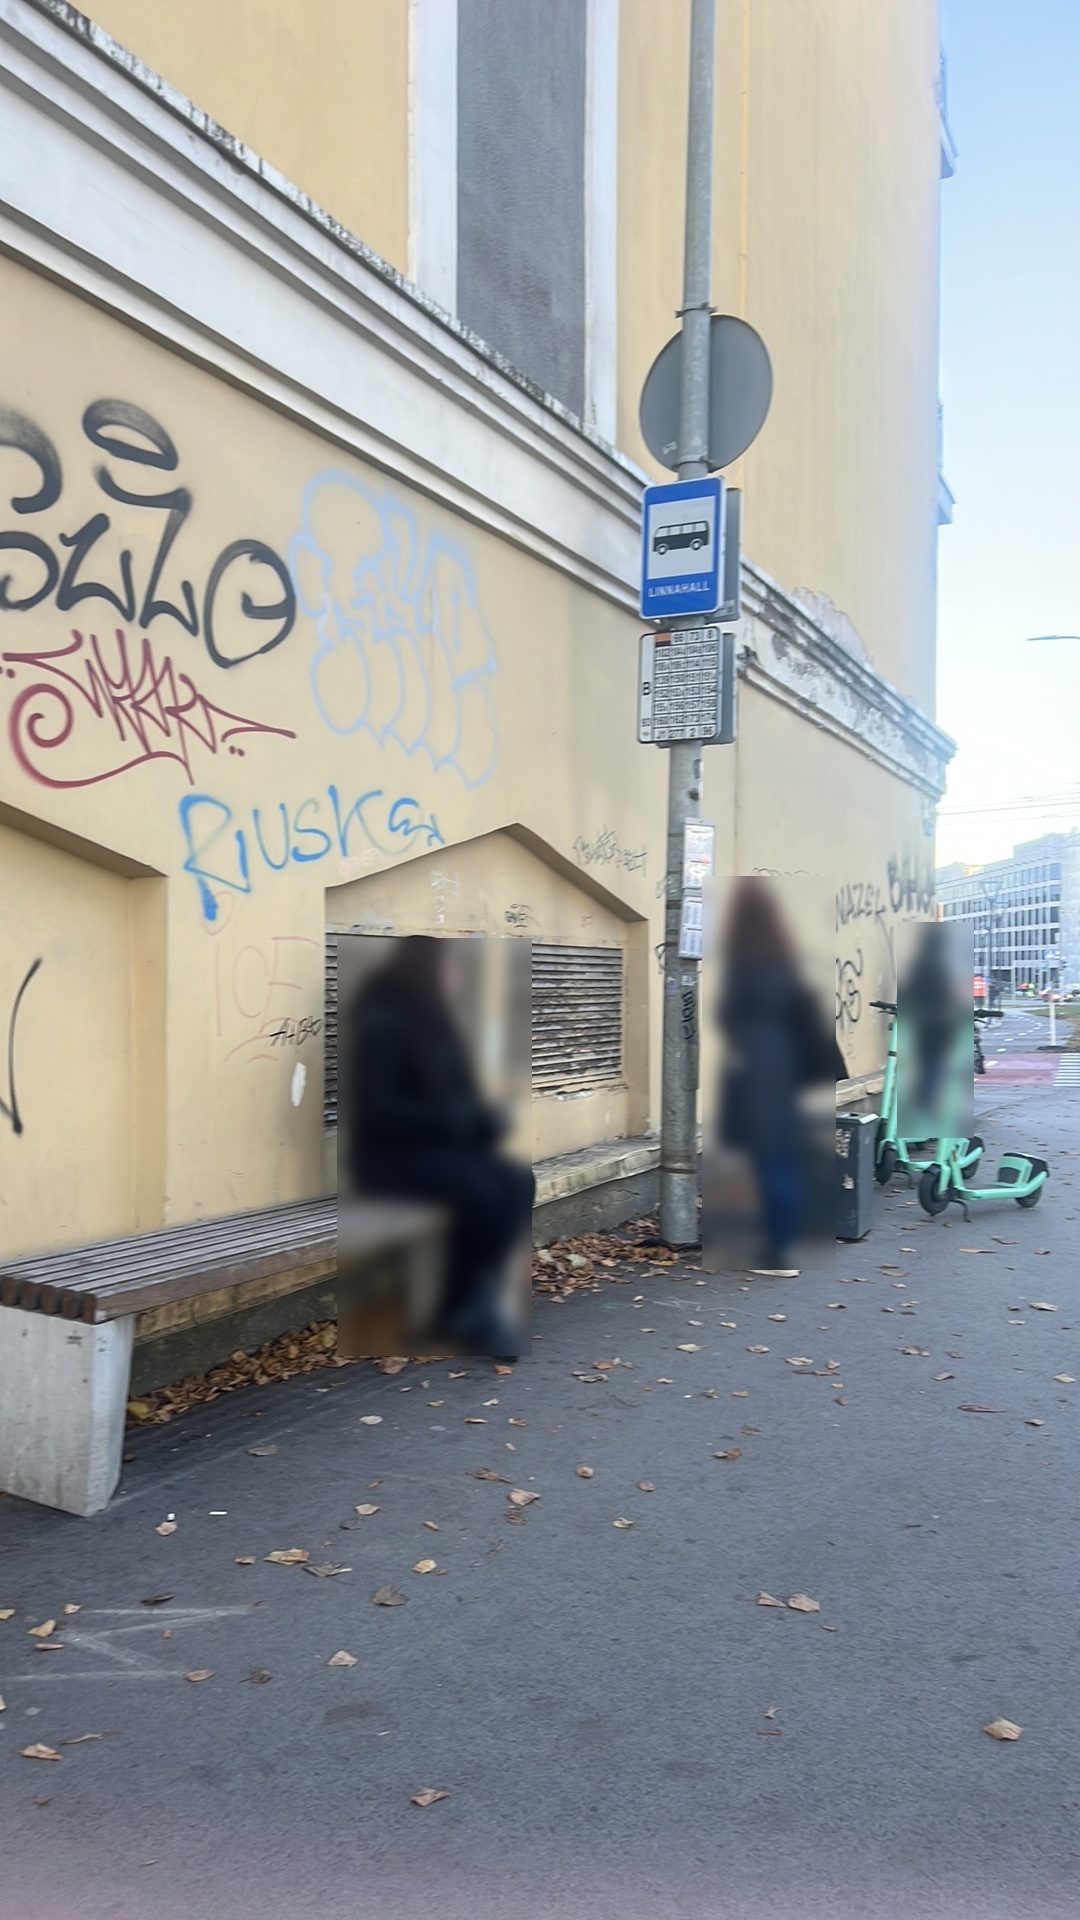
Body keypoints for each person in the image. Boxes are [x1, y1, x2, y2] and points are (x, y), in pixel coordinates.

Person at [343, 936, 534, 1358]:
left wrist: (483, 1121)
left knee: (519, 1181)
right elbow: (378, 1112)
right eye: (449, 969)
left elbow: (462, 1097)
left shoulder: (439, 1027)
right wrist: (452, 1120)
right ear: (424, 973)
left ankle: (467, 1295)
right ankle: (467, 1305)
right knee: (476, 1189)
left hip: (440, 1149)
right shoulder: (382, 1027)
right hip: (388, 1158)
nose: (456, 977)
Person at [716, 880, 834, 1278]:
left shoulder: (744, 962)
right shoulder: (784, 957)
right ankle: (786, 1243)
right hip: (785, 1063)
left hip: (757, 1064)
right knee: (784, 1157)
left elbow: (728, 1015)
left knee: (769, 1159)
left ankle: (779, 1254)